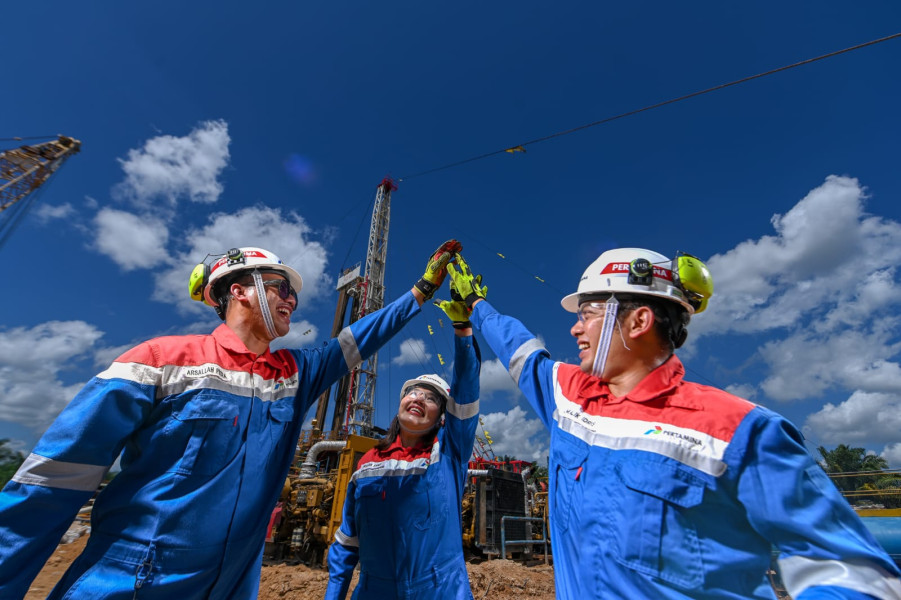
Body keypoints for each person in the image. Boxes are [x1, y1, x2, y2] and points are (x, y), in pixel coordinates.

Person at [0, 241, 461, 600]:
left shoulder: (294, 376)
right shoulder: (160, 361)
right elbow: (50, 482)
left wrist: (421, 291)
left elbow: (360, 337)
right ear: (240, 289)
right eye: (282, 287)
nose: (293, 300)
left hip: (234, 582)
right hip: (134, 580)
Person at [447, 248, 901, 600]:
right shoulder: (570, 398)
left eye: (587, 313)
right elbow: (521, 351)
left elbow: (854, 572)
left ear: (639, 320)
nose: (574, 329)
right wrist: (477, 305)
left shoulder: (738, 430)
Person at [325, 280, 481, 600]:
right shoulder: (367, 464)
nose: (419, 398)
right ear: (399, 404)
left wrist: (463, 330)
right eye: (413, 391)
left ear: (441, 418)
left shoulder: (447, 454)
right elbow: (347, 543)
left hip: (440, 591)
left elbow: (465, 396)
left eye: (431, 398)